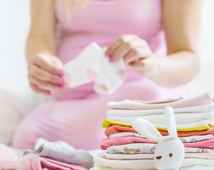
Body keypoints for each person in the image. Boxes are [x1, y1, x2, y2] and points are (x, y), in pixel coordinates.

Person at [12, 0, 202, 150]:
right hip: (70, 104)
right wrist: (41, 61)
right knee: (28, 136)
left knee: (147, 102)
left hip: (140, 98)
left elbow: (188, 59)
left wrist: (152, 64)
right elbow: (39, 36)